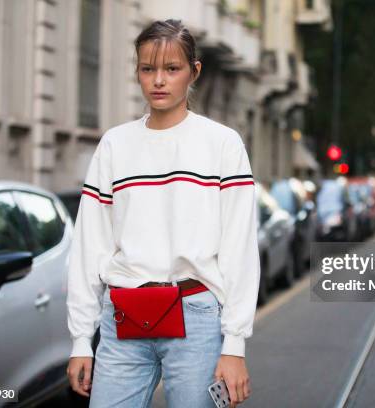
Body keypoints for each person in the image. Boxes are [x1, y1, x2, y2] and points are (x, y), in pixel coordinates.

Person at [65, 19, 260, 408]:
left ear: (194, 71)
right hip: (122, 316)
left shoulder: (223, 144)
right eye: (147, 69)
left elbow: (239, 247)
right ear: (137, 71)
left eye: (172, 69)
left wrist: (234, 344)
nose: (158, 80)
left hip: (198, 317)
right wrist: (80, 341)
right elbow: (90, 245)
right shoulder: (115, 145)